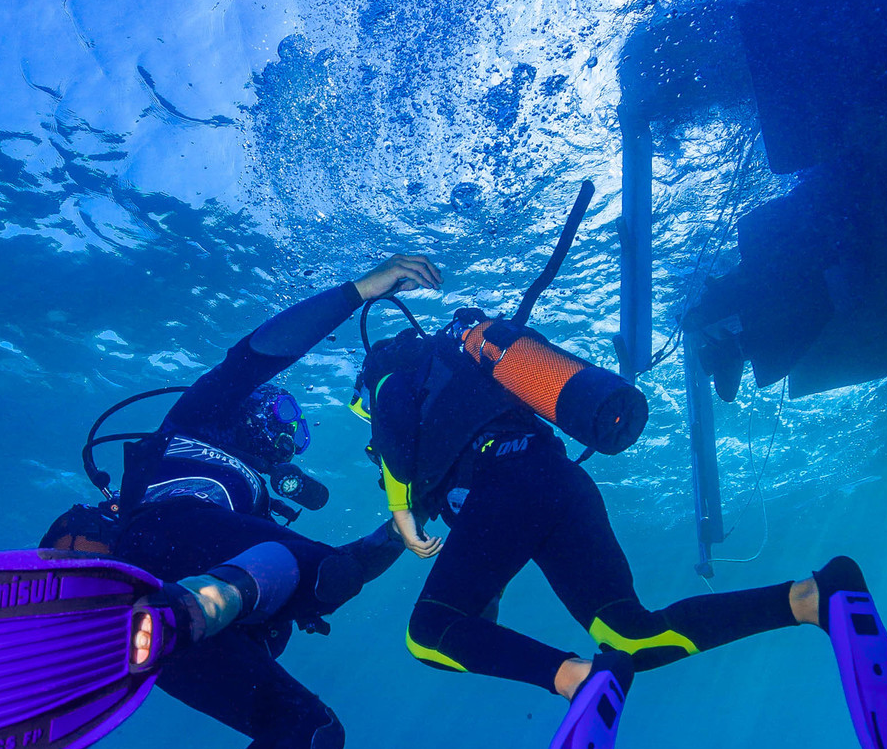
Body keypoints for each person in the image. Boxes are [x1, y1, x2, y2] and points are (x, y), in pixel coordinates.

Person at [38, 251, 441, 749]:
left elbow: (335, 575)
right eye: (280, 415)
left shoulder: (253, 513)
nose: (282, 436)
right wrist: (361, 289)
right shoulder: (192, 425)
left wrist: (404, 525)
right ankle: (186, 608)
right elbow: (258, 354)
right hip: (160, 546)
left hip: (173, 632)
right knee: (301, 566)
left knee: (310, 725)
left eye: (293, 433)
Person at [355, 299, 855, 724]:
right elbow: (490, 540)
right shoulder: (461, 383)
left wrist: (401, 510)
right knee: (631, 636)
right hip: (557, 481)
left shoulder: (392, 379)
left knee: (426, 634)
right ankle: (811, 599)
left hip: (508, 484)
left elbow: (394, 418)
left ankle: (578, 680)